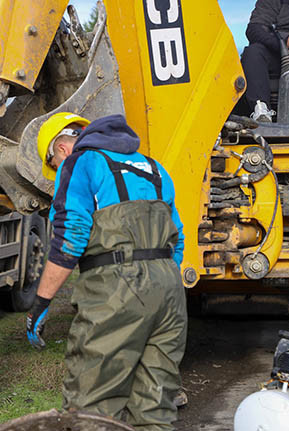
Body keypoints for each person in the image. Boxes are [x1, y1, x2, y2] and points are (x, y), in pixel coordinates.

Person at [26, 113, 187, 430]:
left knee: (92, 407)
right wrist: (156, 281)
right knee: (156, 406)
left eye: (54, 165)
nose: (58, 172)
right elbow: (178, 238)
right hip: (170, 289)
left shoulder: (80, 163)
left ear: (61, 148)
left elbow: (70, 239)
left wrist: (41, 303)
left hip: (117, 289)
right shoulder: (155, 168)